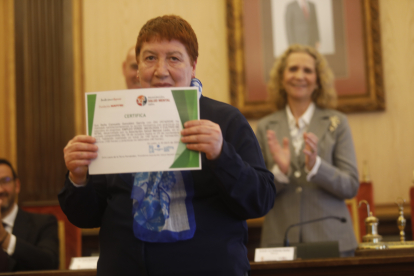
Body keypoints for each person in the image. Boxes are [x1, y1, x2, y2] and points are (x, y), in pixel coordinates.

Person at [59, 15, 275, 276]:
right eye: (150, 58)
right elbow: (86, 217)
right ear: (137, 68)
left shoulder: (224, 120)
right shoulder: (113, 120)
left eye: (174, 58)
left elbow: (260, 200)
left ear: (193, 66)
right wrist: (78, 178)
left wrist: (222, 154)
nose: (161, 70)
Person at [256, 44, 359, 257]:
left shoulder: (337, 122)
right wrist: (280, 172)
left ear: (318, 80)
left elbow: (350, 186)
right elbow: (257, 193)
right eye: (293, 69)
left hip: (332, 241)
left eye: (308, 70)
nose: (299, 76)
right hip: (279, 241)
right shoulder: (266, 127)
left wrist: (317, 167)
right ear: (281, 78)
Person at [0, 159, 59, 271]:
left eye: (5, 181)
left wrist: (5, 238)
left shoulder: (44, 223)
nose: (0, 189)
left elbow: (50, 264)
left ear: (17, 185)